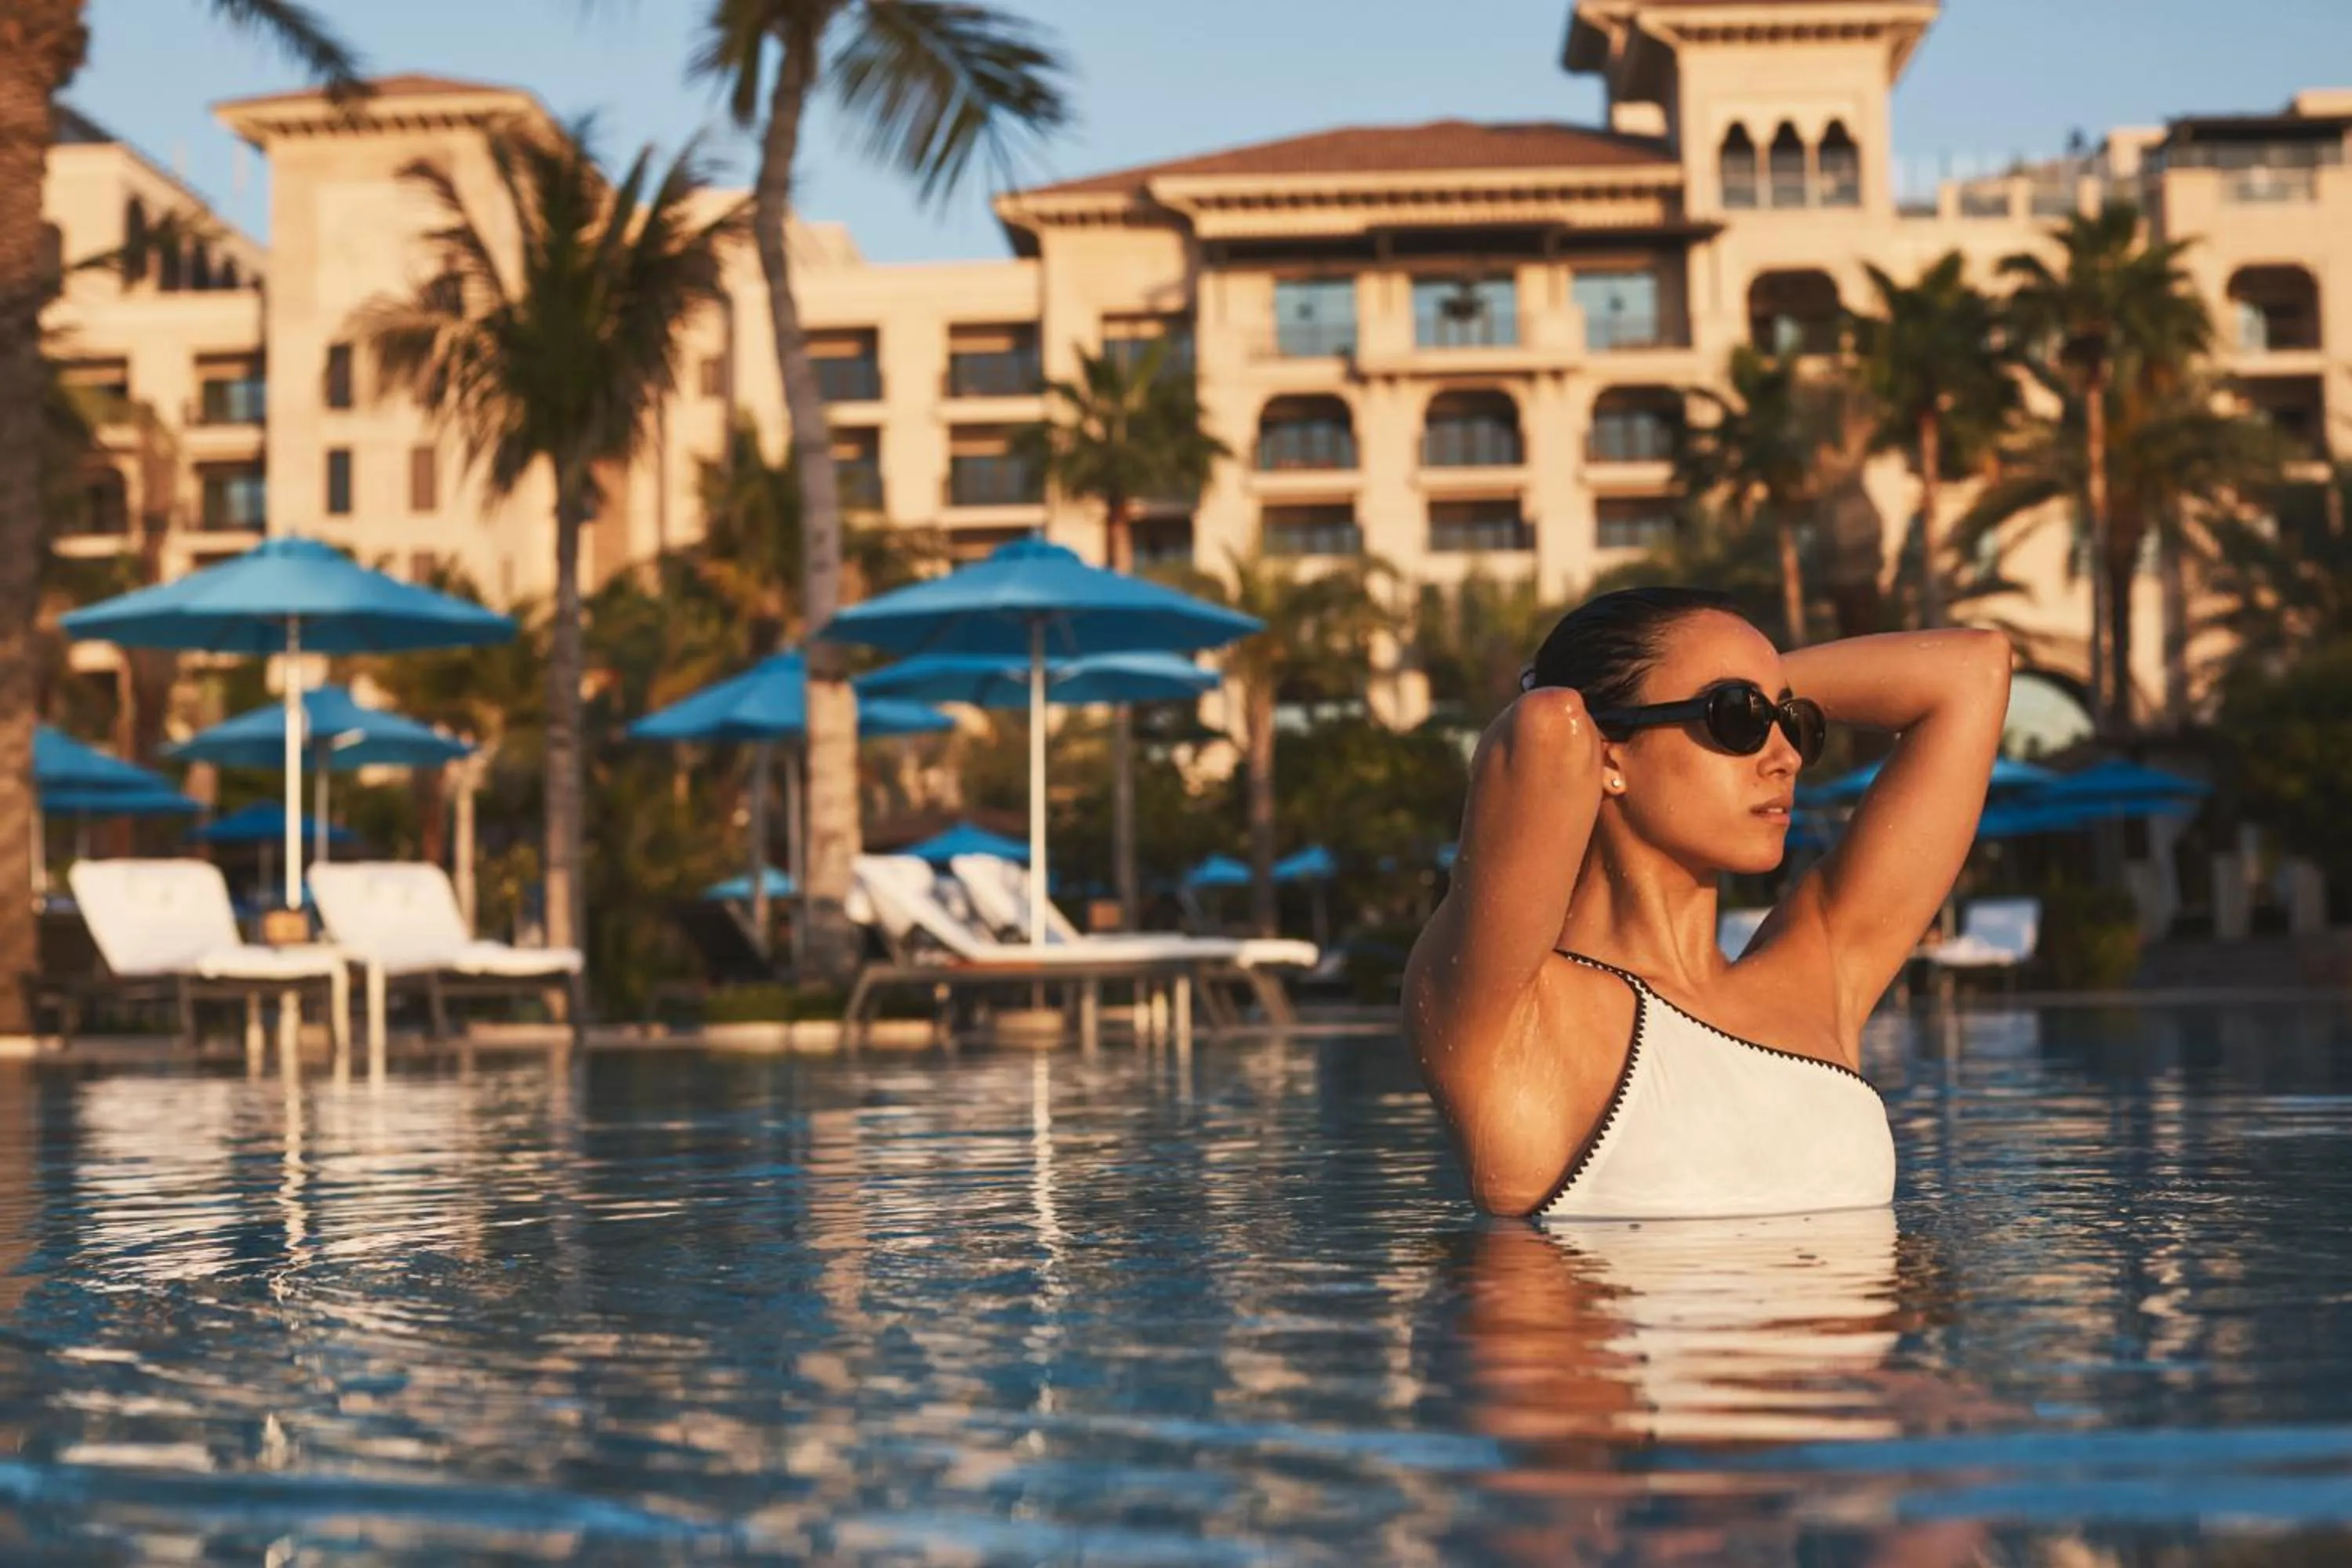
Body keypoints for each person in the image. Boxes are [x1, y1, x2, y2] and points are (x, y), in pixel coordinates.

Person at [1403, 587, 2009, 1220]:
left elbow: (1974, 669)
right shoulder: (1509, 1019)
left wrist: (1749, 686)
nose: (1787, 757)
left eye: (1792, 720)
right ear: (1607, 753)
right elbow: (1545, 725)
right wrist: (1677, 703)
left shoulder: (1818, 980)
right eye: (1739, 720)